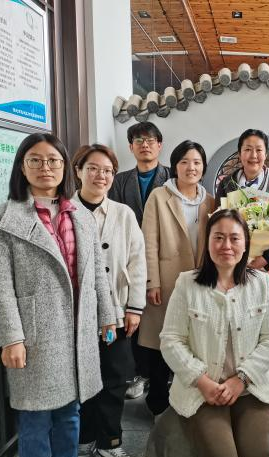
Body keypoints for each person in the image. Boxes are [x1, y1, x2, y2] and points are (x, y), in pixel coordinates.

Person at [0, 133, 116, 457]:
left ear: (65, 167)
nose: (46, 167)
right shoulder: (5, 217)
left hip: (77, 332)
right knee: (35, 418)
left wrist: (107, 315)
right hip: (35, 335)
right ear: (22, 167)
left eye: (54, 160)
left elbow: (97, 273)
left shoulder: (80, 214)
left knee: (70, 414)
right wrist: (11, 338)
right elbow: (0, 285)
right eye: (36, 160)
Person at [160, 209, 269, 457]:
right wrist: (201, 380)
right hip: (203, 390)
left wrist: (242, 379)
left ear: (246, 244)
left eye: (234, 238)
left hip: (250, 388)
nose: (226, 245)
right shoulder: (187, 284)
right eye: (218, 237)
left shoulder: (261, 283)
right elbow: (171, 340)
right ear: (207, 243)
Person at [71, 144, 147, 457]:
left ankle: (110, 442)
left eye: (107, 171)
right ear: (78, 171)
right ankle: (84, 440)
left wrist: (135, 308)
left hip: (117, 311)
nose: (100, 176)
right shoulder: (66, 212)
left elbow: (138, 261)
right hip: (79, 316)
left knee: (115, 380)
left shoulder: (123, 214)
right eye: (93, 168)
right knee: (83, 380)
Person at [139, 140, 214, 416]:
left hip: (200, 282)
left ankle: (188, 403)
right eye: (184, 162)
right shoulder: (159, 196)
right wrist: (152, 282)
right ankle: (158, 405)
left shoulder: (210, 201)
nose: (191, 167)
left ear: (203, 167)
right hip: (167, 281)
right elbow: (149, 242)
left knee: (194, 344)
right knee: (163, 344)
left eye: (196, 162)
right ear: (175, 166)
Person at [108, 121, 169, 399]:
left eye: (150, 140)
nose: (145, 145)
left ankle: (165, 375)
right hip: (129, 258)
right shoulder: (120, 180)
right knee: (133, 317)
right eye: (138, 141)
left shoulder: (171, 177)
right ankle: (138, 374)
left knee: (164, 317)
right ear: (131, 147)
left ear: (160, 145)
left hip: (163, 258)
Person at [215, 128, 269, 270]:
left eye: (259, 150)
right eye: (247, 149)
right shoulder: (226, 184)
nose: (253, 155)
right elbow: (218, 222)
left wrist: (266, 258)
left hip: (262, 262)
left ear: (265, 154)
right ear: (239, 154)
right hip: (231, 257)